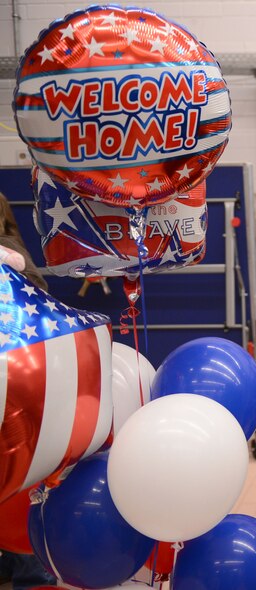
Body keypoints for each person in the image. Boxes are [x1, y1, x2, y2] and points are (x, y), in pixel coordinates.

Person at [0, 191, 56, 589]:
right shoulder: (16, 250)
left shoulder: (9, 256)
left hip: (13, 387)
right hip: (23, 384)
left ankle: (26, 566)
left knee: (15, 474)